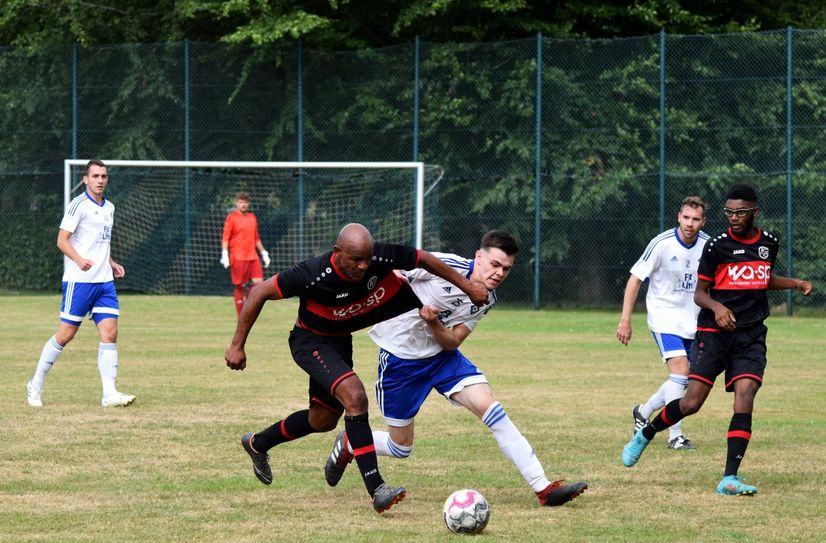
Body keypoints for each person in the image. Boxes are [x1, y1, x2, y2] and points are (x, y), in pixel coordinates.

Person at [225, 223, 489, 514]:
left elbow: (424, 259)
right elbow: (259, 291)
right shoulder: (312, 274)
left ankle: (258, 443)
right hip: (310, 341)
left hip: (338, 341)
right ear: (337, 252)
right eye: (356, 259)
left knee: (323, 420)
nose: (364, 266)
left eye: (367, 258)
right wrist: (237, 345)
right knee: (355, 397)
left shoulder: (379, 258)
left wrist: (468, 287)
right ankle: (377, 488)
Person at [323, 230, 588, 507]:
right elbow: (394, 272)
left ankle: (544, 489)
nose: (499, 273)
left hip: (442, 358)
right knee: (400, 447)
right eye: (495, 264)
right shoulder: (445, 265)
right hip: (401, 361)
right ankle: (351, 442)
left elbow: (452, 342)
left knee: (493, 411)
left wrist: (432, 322)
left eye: (506, 269)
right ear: (479, 257)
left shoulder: (487, 298)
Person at [622, 184, 813, 496]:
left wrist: (794, 282)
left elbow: (762, 278)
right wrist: (717, 307)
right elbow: (700, 293)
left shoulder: (769, 242)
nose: (734, 218)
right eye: (729, 212)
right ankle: (648, 431)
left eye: (740, 212)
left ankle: (729, 478)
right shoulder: (716, 246)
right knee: (692, 402)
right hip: (714, 335)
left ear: (755, 212)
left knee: (746, 395)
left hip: (751, 335)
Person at [26, 160, 136, 408]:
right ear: (86, 179)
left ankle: (109, 394)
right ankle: (35, 384)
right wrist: (79, 260)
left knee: (110, 333)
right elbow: (62, 240)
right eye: (95, 176)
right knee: (66, 335)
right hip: (80, 282)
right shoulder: (78, 205)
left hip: (104, 282)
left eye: (104, 176)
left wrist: (111, 262)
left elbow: (99, 243)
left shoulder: (110, 207)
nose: (100, 180)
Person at [616, 196, 709, 451]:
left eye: (696, 219)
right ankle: (675, 435)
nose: (689, 223)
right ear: (678, 217)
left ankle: (643, 411)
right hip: (663, 317)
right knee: (680, 371)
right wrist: (625, 320)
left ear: (703, 221)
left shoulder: (708, 245)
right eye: (686, 217)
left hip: (694, 320)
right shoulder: (662, 243)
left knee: (685, 378)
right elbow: (635, 279)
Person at [221, 192, 270, 317]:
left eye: (245, 202)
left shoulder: (252, 217)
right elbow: (225, 237)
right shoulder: (231, 218)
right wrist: (224, 253)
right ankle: (241, 316)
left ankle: (247, 305)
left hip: (253, 256)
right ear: (237, 203)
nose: (243, 204)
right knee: (240, 286)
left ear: (248, 204)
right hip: (238, 257)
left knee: (259, 284)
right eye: (241, 202)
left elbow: (256, 238)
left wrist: (263, 252)